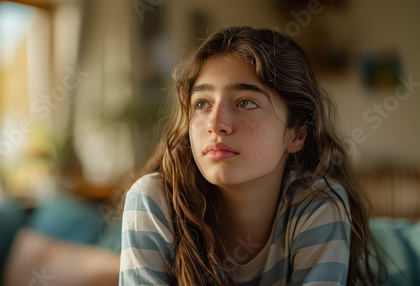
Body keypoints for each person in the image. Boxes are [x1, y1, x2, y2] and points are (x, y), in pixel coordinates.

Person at [119, 26, 385, 286]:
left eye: (245, 102)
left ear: (297, 134)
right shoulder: (152, 199)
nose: (216, 123)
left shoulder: (318, 205)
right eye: (202, 103)